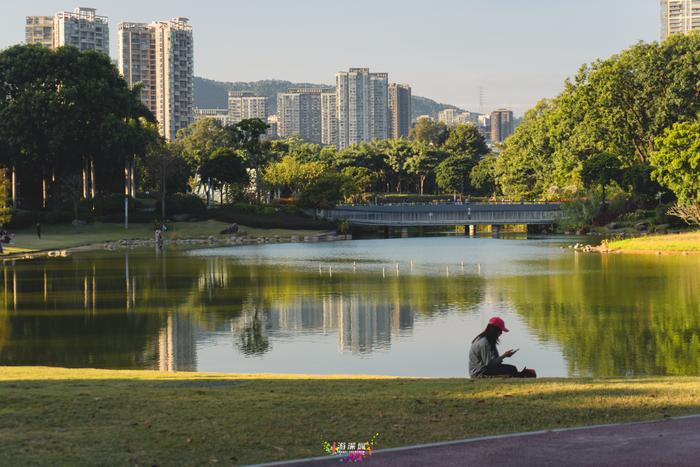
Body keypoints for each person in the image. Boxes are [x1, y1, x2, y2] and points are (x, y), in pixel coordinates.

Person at [469, 317, 533, 378]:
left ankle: (519, 376)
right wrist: (503, 356)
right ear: (494, 330)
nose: (501, 333)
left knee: (513, 368)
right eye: (500, 330)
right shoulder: (484, 343)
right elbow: (488, 364)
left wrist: (505, 356)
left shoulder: (489, 340)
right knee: (512, 370)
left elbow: (495, 361)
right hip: (479, 372)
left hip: (485, 369)